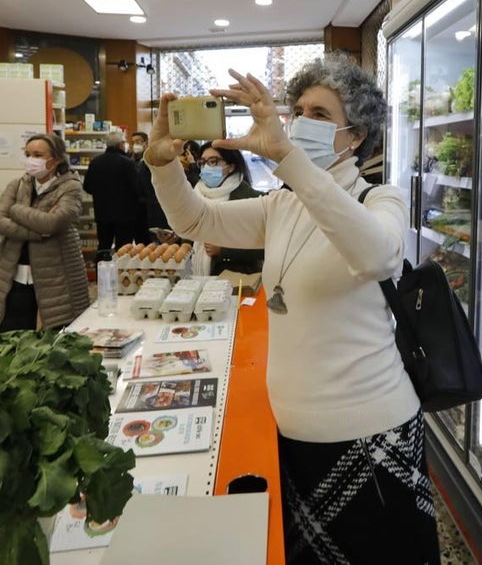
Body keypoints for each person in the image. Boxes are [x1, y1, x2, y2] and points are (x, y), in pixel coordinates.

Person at [145, 58, 438, 564]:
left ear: (356, 134)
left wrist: (288, 158)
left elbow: (378, 256)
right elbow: (196, 218)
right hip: (292, 430)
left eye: (320, 114)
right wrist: (163, 164)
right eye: (298, 109)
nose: (301, 122)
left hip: (369, 433)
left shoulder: (379, 198)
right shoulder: (281, 206)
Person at [0, 133, 90, 338]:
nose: (31, 160)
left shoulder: (71, 187)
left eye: (38, 155)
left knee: (59, 340)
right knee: (11, 341)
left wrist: (15, 210)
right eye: (28, 154)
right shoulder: (18, 185)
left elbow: (53, 222)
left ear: (56, 159)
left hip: (57, 277)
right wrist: (39, 231)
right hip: (16, 275)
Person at [191, 145, 264, 276]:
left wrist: (223, 250)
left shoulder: (251, 199)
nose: (206, 167)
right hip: (199, 276)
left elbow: (264, 246)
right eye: (202, 162)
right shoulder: (195, 195)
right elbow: (192, 232)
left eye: (213, 162)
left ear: (231, 166)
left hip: (236, 279)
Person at [82, 133, 142, 254]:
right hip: (125, 216)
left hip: (102, 213)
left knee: (103, 246)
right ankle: (121, 271)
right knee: (123, 249)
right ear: (120, 145)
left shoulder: (95, 162)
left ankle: (101, 270)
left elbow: (87, 186)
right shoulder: (127, 163)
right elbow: (137, 188)